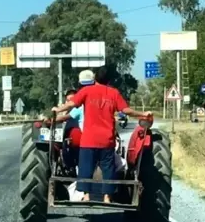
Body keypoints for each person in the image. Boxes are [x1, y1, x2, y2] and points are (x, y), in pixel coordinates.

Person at [51, 66, 152, 204]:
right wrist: (143, 114)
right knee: (108, 169)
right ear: (109, 80)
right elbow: (126, 110)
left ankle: (86, 196)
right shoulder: (114, 93)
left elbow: (71, 105)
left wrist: (57, 109)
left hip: (88, 140)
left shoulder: (86, 91)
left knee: (85, 168)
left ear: (94, 78)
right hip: (107, 140)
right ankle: (107, 198)